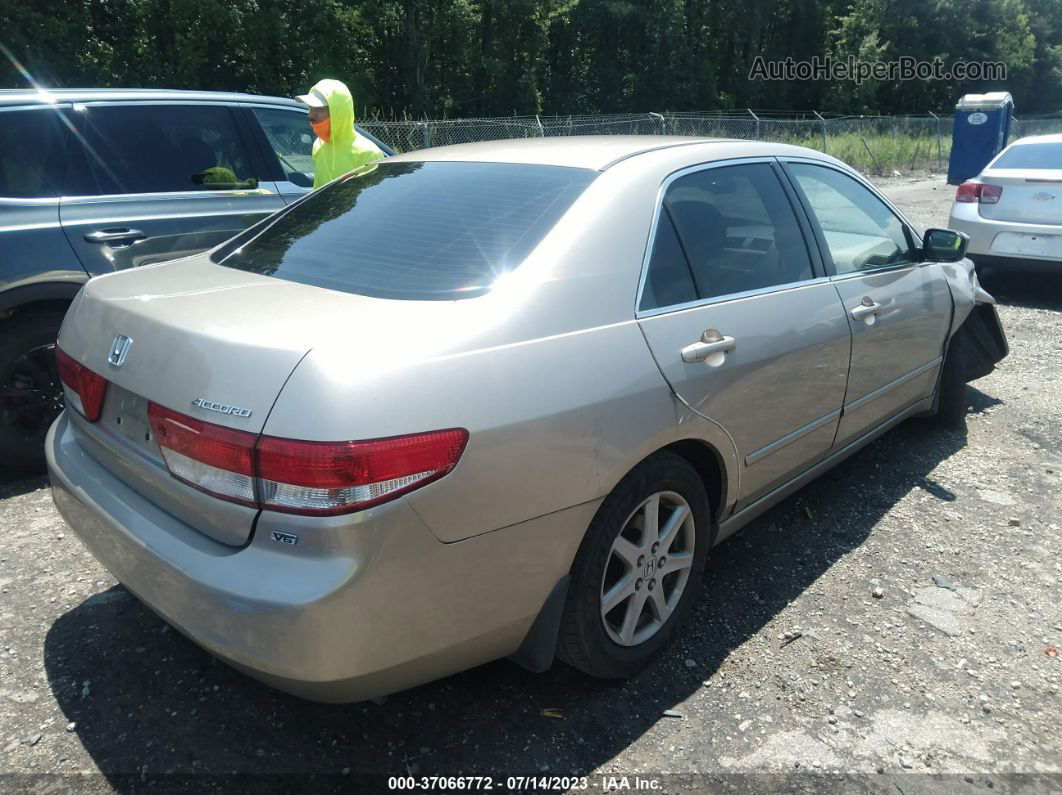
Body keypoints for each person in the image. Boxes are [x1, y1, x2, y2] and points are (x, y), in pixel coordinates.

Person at [296, 79, 384, 189]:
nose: (310, 115)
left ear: (337, 112)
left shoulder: (367, 153)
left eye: (318, 109)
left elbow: (376, 198)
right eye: (310, 108)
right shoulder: (318, 145)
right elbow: (317, 191)